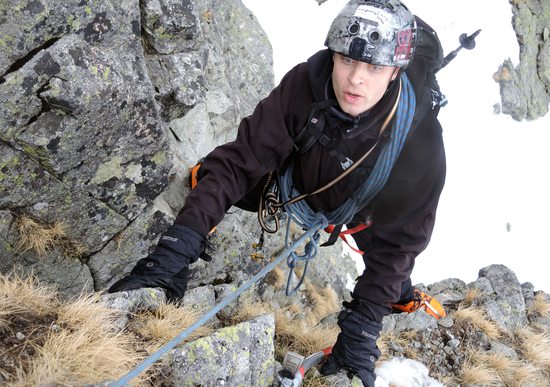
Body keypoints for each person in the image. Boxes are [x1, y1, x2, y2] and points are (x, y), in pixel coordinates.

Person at [109, 0, 447, 385]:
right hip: (297, 181)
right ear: (333, 56)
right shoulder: (306, 85)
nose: (356, 79)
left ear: (395, 72)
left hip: (365, 210)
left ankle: (394, 297)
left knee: (390, 268)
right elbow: (240, 162)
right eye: (348, 61)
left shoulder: (421, 143)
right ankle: (193, 236)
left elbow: (400, 243)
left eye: (374, 67)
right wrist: (175, 249)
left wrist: (362, 333)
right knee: (214, 175)